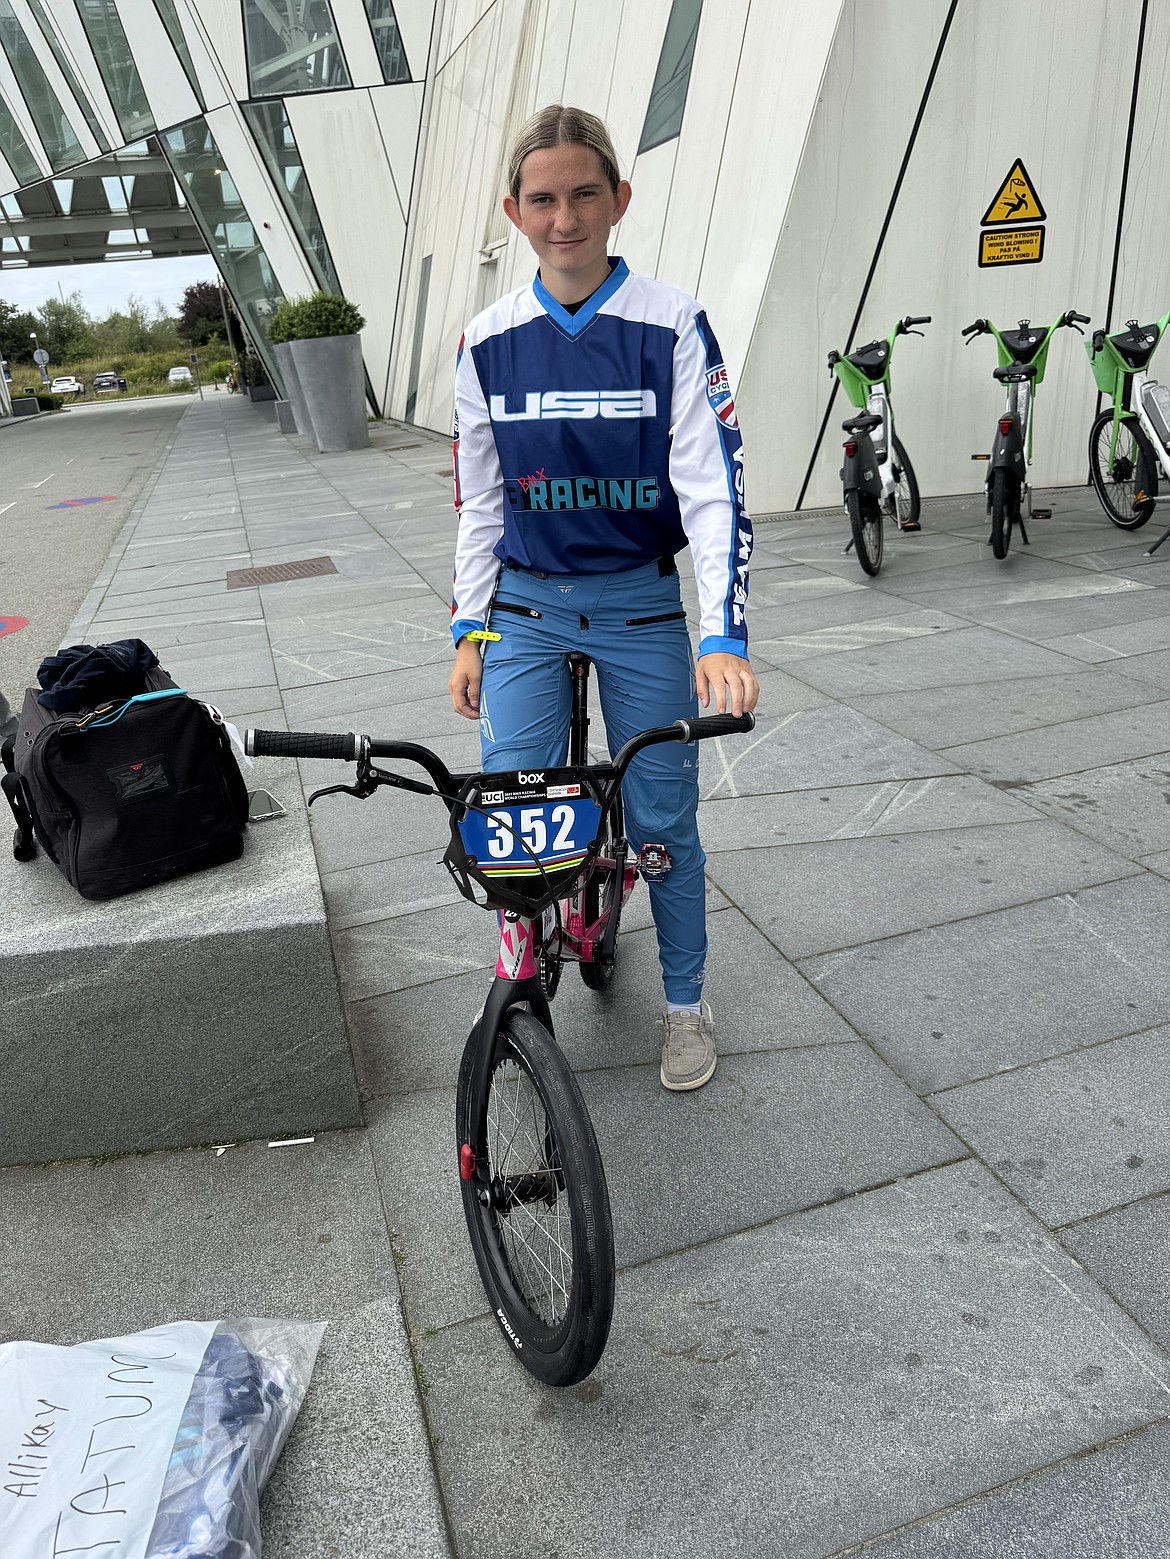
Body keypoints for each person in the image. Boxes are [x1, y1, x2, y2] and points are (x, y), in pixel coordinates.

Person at [448, 104, 758, 1092]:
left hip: (640, 606)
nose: (564, 215)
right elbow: (480, 500)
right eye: (543, 197)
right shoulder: (487, 340)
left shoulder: (670, 322)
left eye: (585, 192)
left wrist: (721, 633)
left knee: (664, 821)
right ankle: (518, 980)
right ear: (514, 209)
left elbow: (714, 488)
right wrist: (469, 628)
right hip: (528, 611)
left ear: (619, 199)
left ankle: (685, 1003)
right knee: (516, 809)